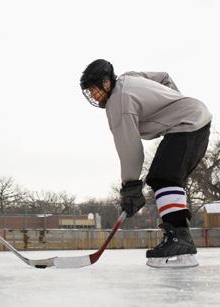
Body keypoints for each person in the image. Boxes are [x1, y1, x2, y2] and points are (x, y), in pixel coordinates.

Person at [80, 59, 212, 267]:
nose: (94, 96)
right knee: (168, 179)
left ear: (106, 83)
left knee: (163, 177)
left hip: (187, 125)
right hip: (196, 119)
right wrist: (174, 104)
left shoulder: (118, 102)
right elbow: (164, 77)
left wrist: (130, 186)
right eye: (89, 92)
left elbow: (130, 149)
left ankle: (180, 240)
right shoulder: (128, 77)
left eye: (95, 89)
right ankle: (181, 243)